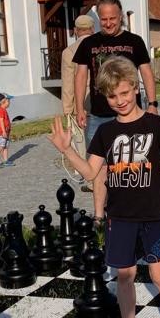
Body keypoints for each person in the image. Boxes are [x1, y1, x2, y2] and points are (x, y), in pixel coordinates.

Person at [49, 56, 160, 318]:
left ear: (136, 88)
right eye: (112, 96)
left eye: (125, 93)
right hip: (120, 216)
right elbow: (91, 172)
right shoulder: (106, 132)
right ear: (105, 97)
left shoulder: (155, 124)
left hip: (152, 214)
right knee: (124, 275)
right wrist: (67, 149)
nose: (120, 100)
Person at [73, 0, 158, 227]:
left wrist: (152, 103)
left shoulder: (134, 41)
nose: (108, 23)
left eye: (113, 18)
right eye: (104, 19)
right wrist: (79, 107)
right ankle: (99, 215)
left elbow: (146, 72)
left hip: (131, 116)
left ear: (121, 17)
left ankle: (134, 211)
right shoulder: (89, 44)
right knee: (99, 167)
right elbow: (80, 75)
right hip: (99, 116)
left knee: (132, 163)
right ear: (98, 19)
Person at [61, 14, 95, 191]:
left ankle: (91, 180)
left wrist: (68, 110)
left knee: (83, 144)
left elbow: (68, 84)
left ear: (75, 31)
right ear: (92, 29)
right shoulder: (100, 45)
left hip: (80, 104)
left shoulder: (69, 52)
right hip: (103, 100)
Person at [0, 93, 11, 168]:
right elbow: (1, 121)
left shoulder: (4, 110)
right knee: (0, 147)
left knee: (5, 147)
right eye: (8, 101)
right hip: (1, 133)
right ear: (3, 102)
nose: (9, 103)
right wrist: (3, 131)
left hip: (6, 133)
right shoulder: (1, 111)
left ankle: (5, 160)